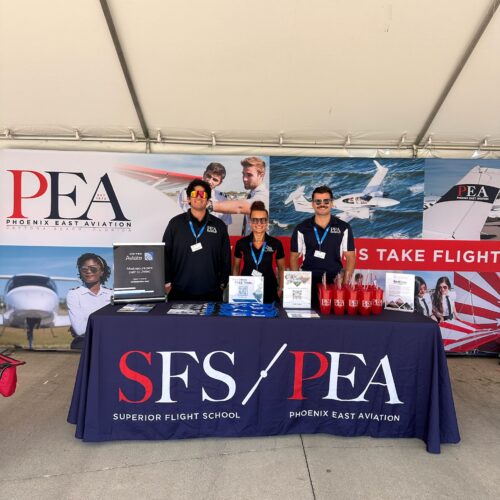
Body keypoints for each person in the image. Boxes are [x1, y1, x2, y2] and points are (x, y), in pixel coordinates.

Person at [163, 179, 231, 301]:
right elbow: (165, 254)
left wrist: (222, 283)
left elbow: (226, 257)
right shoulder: (175, 224)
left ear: (208, 200)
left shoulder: (219, 225)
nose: (199, 197)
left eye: (203, 194)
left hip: (212, 294)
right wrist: (167, 282)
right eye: (195, 194)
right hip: (179, 294)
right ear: (189, 199)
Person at [290, 185, 356, 306]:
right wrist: (297, 284)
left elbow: (350, 257)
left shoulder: (344, 227)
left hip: (334, 281)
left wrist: (344, 284)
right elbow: (294, 257)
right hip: (307, 281)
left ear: (332, 203)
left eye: (326, 201)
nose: (322, 204)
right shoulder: (302, 228)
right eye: (318, 201)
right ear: (312, 204)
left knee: (332, 316)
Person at [232, 201, 285, 303]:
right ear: (250, 222)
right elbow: (236, 267)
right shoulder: (241, 243)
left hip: (269, 290)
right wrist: (235, 288)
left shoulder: (276, 243)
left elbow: (282, 268)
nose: (259, 223)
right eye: (255, 220)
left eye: (262, 220)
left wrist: (280, 289)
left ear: (267, 222)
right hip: (246, 290)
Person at [209, 156, 269, 235]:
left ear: (261, 175)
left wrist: (209, 205)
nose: (244, 179)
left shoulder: (263, 195)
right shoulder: (252, 194)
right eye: (243, 174)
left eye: (249, 175)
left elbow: (240, 207)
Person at [66, 253, 112, 349]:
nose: (88, 271)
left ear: (102, 272)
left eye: (93, 269)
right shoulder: (74, 294)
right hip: (84, 344)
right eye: (84, 269)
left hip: (109, 342)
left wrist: (88, 322)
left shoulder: (112, 294)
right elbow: (80, 329)